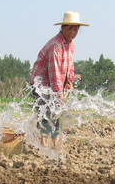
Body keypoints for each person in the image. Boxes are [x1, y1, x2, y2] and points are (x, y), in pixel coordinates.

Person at [30, 11, 88, 147]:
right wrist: (59, 95)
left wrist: (69, 82)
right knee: (46, 113)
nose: (73, 32)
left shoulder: (71, 44)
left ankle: (55, 142)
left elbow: (69, 64)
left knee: (59, 114)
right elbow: (54, 72)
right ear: (62, 28)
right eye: (70, 29)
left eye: (76, 29)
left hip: (56, 84)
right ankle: (43, 143)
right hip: (41, 84)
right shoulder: (55, 46)